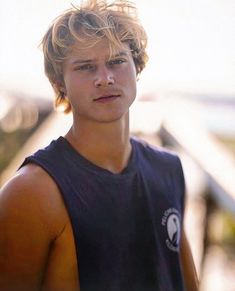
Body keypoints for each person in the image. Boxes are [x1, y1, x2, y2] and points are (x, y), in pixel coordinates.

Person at [0, 0, 199, 290]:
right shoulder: (31, 193)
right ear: (60, 84)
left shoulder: (168, 169)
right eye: (85, 67)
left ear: (137, 67)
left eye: (117, 61)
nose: (105, 79)